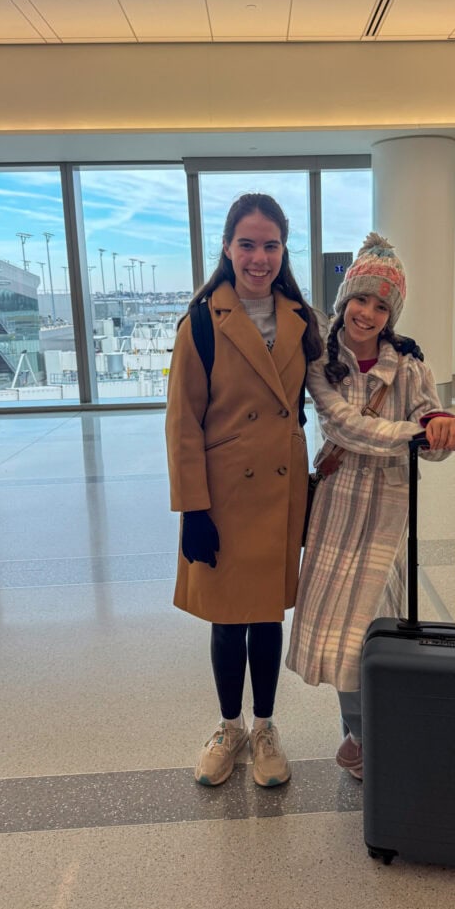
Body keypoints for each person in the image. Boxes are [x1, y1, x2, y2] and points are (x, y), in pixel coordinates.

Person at [286, 233, 455, 779]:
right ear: (344, 299)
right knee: (341, 630)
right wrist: (416, 434)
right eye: (360, 299)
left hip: (389, 507)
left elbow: (430, 433)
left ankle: (370, 734)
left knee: (375, 626)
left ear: (391, 315)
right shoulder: (321, 362)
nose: (367, 314)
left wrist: (443, 430)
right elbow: (346, 427)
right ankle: (360, 733)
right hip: (337, 502)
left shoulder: (410, 365)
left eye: (380, 306)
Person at [166, 193, 322, 787]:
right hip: (225, 494)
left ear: (284, 251)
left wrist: (399, 350)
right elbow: (183, 422)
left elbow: (342, 374)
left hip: (280, 487)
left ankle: (264, 727)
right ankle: (229, 727)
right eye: (248, 244)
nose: (260, 258)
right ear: (227, 248)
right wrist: (193, 510)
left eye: (271, 245)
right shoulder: (202, 321)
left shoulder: (302, 320)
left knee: (266, 615)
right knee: (229, 617)